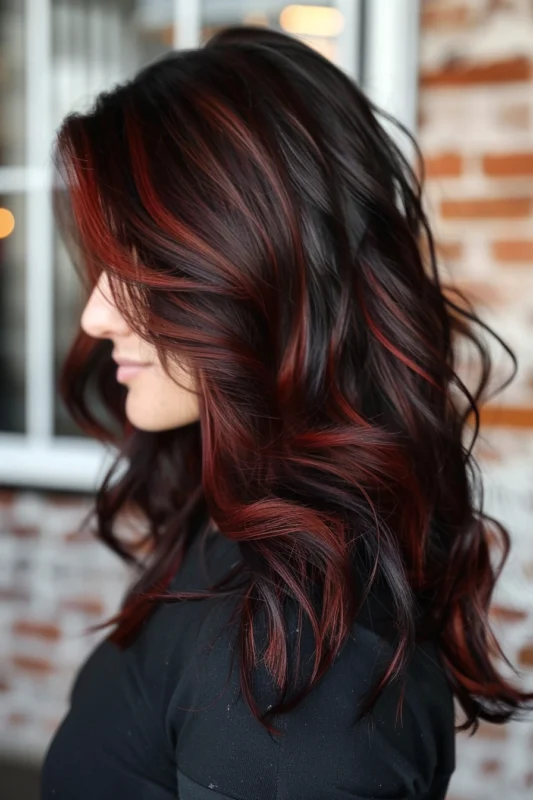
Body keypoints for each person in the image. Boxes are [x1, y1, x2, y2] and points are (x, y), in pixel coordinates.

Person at [40, 25, 532, 800]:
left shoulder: (297, 680)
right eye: (103, 267)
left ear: (261, 271)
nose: (96, 317)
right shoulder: (247, 539)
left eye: (139, 264)